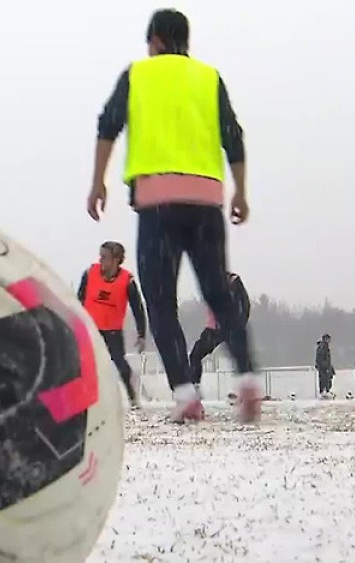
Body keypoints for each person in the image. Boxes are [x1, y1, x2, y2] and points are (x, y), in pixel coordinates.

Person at [88, 9, 259, 424]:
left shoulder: (138, 75)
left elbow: (108, 126)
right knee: (219, 293)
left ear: (156, 40)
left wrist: (99, 182)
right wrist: (241, 192)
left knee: (162, 302)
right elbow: (232, 135)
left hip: (157, 204)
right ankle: (249, 380)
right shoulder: (208, 78)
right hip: (206, 202)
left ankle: (185, 394)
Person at [77, 241, 148, 407]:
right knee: (84, 365)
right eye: (100, 256)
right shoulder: (90, 273)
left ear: (116, 260)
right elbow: (79, 298)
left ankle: (132, 397)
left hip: (112, 332)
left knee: (121, 364)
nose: (100, 260)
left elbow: (138, 309)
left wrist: (141, 334)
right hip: (90, 329)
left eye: (105, 257)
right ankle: (84, 400)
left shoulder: (127, 281)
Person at [188, 271, 251, 390]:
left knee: (241, 357)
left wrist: (239, 323)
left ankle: (248, 390)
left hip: (228, 327)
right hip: (213, 329)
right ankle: (195, 386)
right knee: (195, 355)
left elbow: (245, 306)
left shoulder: (234, 285)